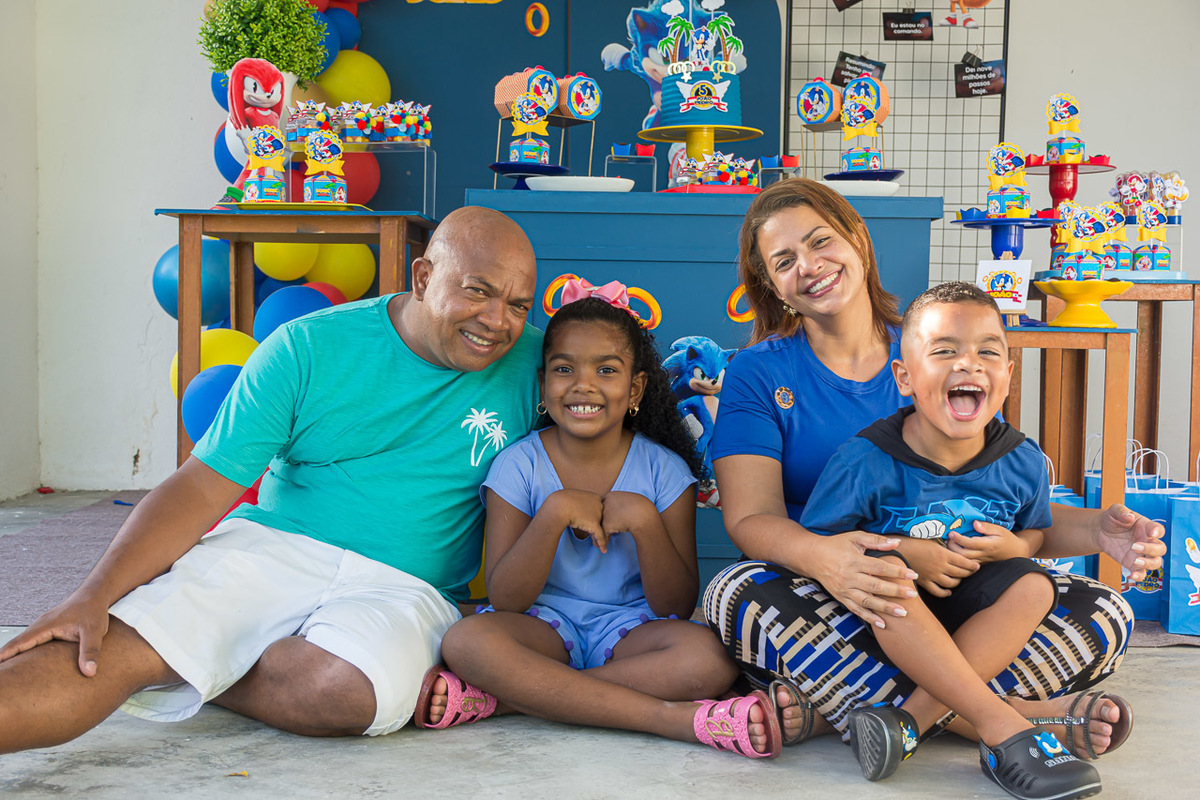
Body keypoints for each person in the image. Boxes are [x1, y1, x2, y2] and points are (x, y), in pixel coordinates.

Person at [0, 206, 544, 753]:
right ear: (424, 278)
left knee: (346, 694)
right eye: (478, 291)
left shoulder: (540, 365)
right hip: (275, 548)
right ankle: (176, 647)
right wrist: (94, 594)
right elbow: (199, 486)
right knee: (107, 646)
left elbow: (618, 403)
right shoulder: (306, 346)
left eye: (518, 305)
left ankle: (199, 660)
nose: (498, 321)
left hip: (409, 587)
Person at [702, 178, 1165, 758]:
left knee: (1104, 611)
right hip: (838, 588)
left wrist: (1100, 531)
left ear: (858, 240)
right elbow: (750, 519)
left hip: (965, 593)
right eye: (785, 260)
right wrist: (838, 562)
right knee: (735, 594)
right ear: (771, 284)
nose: (810, 266)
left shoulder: (938, 344)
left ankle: (858, 713)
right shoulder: (756, 371)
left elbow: (1004, 503)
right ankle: (1004, 714)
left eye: (822, 241)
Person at [413, 281, 783, 759]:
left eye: (606, 370)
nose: (583, 385)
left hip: (632, 629)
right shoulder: (518, 465)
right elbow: (506, 599)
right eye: (564, 369)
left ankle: (511, 699)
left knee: (709, 657)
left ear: (635, 388)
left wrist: (648, 523)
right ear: (543, 383)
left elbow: (675, 603)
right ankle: (672, 718)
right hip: (540, 625)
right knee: (466, 641)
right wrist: (553, 513)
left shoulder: (665, 470)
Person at [801, 282, 1104, 797]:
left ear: (1008, 374)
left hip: (977, 619)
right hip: (884, 617)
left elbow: (1035, 530)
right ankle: (1003, 726)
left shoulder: (1022, 460)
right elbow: (818, 546)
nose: (970, 364)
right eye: (945, 351)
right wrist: (901, 551)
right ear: (905, 377)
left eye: (989, 351)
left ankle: (907, 722)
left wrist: (1019, 548)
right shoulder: (865, 460)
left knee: (1041, 588)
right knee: (884, 578)